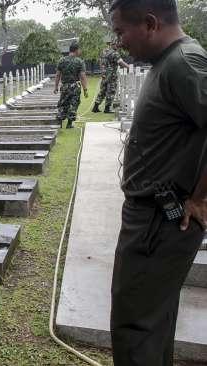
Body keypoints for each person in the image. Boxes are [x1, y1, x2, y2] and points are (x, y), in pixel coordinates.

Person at [109, 0, 207, 363]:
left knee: (136, 326)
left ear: (150, 23)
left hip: (159, 220)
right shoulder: (168, 63)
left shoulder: (185, 63)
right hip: (152, 217)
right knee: (150, 321)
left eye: (121, 31)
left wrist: (199, 197)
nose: (119, 42)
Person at [54, 42, 89, 128]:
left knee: (63, 104)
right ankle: (69, 124)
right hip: (75, 87)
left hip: (65, 86)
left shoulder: (61, 60)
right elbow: (82, 76)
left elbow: (58, 74)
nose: (80, 51)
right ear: (76, 50)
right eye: (79, 49)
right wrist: (85, 89)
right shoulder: (79, 61)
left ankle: (60, 124)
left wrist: (56, 87)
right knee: (74, 104)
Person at [92, 41, 130, 113]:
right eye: (116, 45)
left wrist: (103, 71)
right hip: (111, 75)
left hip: (104, 74)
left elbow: (101, 62)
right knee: (111, 91)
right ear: (113, 45)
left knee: (102, 91)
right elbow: (121, 63)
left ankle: (95, 107)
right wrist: (130, 68)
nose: (117, 46)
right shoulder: (114, 53)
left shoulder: (104, 52)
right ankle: (107, 108)